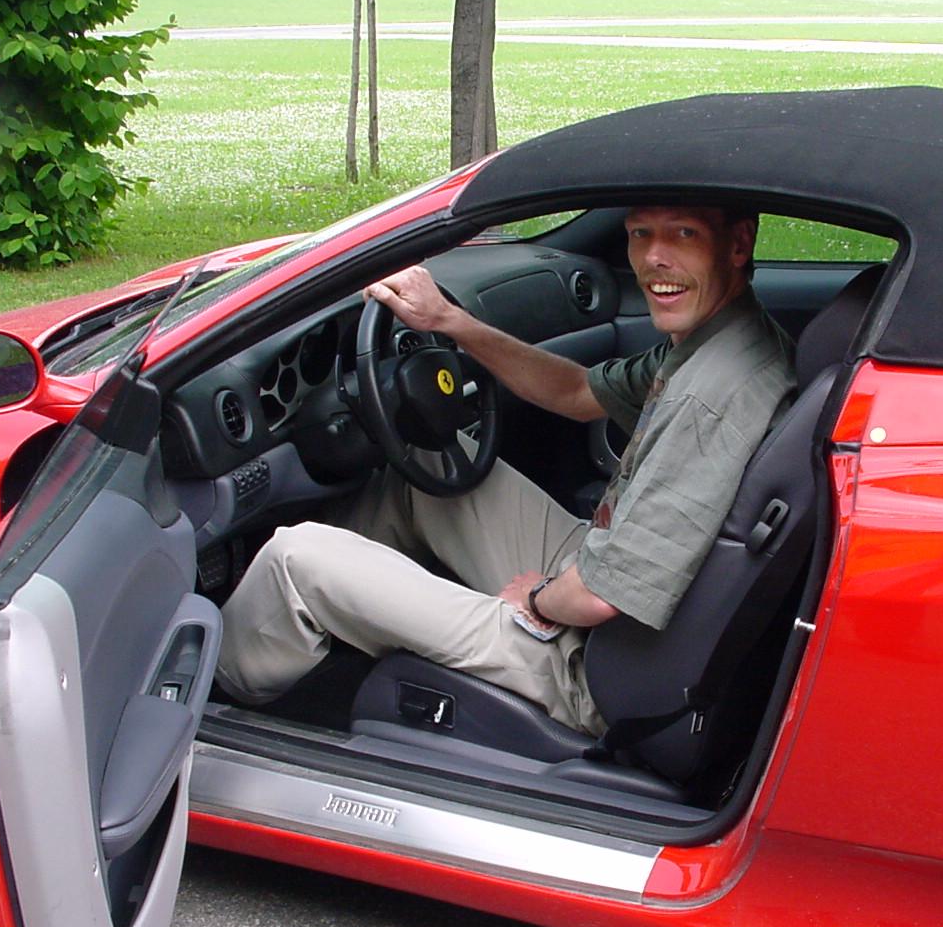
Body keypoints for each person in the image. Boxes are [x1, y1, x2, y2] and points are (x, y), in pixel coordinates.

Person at [216, 204, 796, 737]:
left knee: (295, 557)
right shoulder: (724, 341)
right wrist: (450, 321)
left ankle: (220, 701)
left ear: (738, 243)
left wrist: (540, 599)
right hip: (606, 584)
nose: (652, 259)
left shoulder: (709, 398)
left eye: (683, 235)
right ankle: (330, 620)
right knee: (427, 473)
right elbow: (576, 390)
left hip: (592, 666)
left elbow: (597, 598)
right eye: (640, 234)